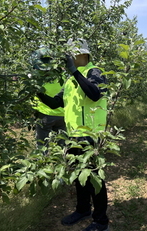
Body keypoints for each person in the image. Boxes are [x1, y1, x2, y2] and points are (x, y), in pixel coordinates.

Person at [37, 38, 109, 231]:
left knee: (94, 178)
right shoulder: (70, 80)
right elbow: (55, 103)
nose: (67, 58)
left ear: (81, 54)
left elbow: (94, 94)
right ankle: (83, 209)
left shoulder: (95, 72)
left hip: (92, 135)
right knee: (79, 175)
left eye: (70, 55)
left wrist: (74, 71)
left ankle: (101, 221)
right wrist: (36, 91)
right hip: (73, 135)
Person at [30, 48, 66, 151]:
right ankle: (60, 163)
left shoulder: (37, 76)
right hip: (62, 114)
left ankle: (41, 163)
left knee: (41, 144)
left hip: (44, 114)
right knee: (61, 143)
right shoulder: (62, 74)